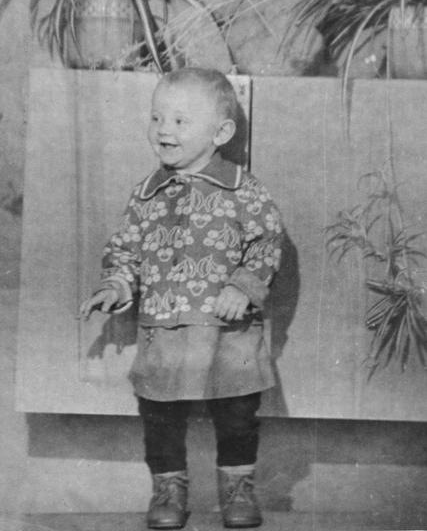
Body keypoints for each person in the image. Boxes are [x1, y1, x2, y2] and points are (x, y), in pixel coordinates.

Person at [80, 68, 284, 529]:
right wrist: (116, 284)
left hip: (227, 331)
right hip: (164, 329)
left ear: (221, 133)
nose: (163, 130)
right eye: (157, 118)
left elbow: (267, 241)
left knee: (237, 415)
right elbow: (125, 250)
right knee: (160, 416)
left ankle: (238, 490)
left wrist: (243, 286)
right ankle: (168, 491)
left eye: (179, 120)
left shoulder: (242, 188)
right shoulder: (145, 195)